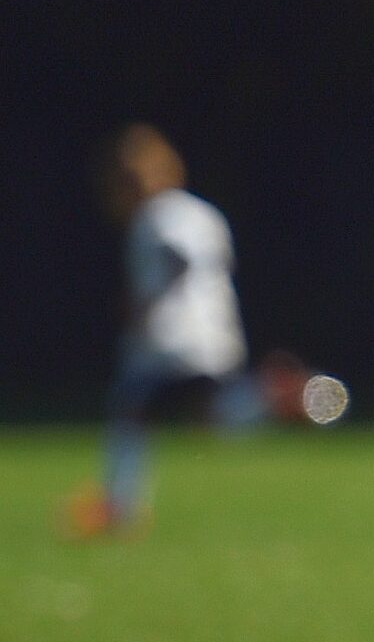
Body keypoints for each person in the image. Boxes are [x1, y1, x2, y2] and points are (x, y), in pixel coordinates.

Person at [62, 125, 344, 540]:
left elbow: (174, 261)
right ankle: (281, 395)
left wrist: (145, 305)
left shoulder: (153, 218)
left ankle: (121, 509)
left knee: (131, 408)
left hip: (171, 339)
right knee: (210, 416)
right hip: (216, 333)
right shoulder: (200, 211)